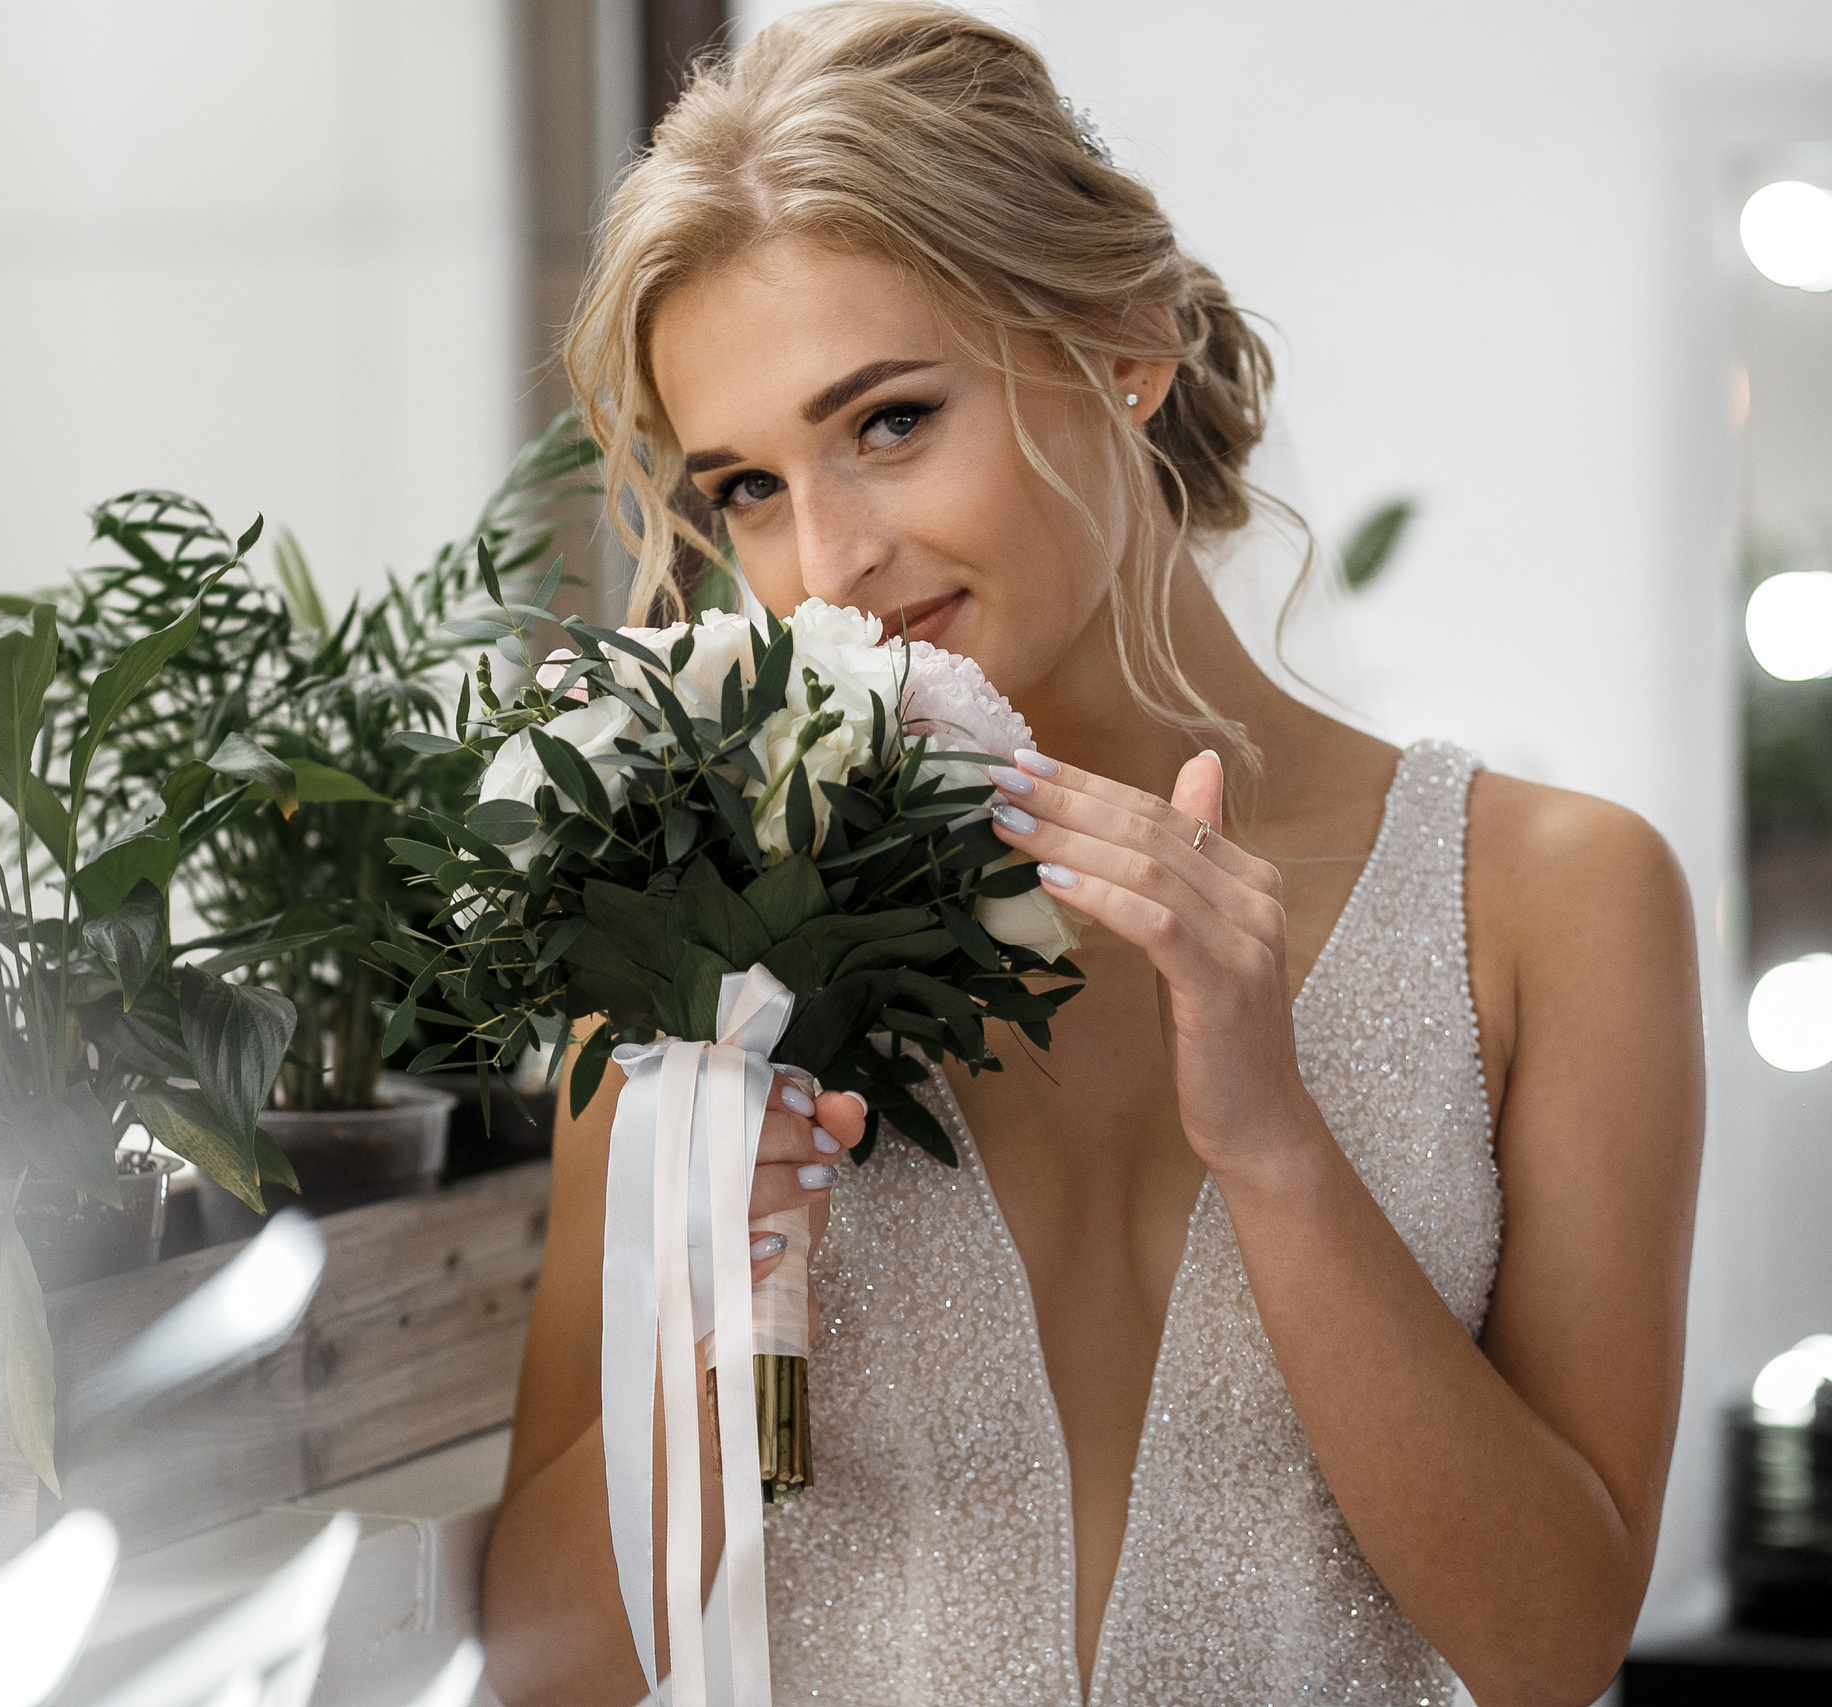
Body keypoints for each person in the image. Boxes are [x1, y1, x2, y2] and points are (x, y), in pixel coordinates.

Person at [479, 6, 1703, 1704]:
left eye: (892, 420)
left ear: (1124, 346)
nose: (827, 556)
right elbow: (549, 1676)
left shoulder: (1551, 900)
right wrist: (725, 1327)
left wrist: (1273, 1141)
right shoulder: (700, 937)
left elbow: (1552, 1645)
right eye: (749, 487)